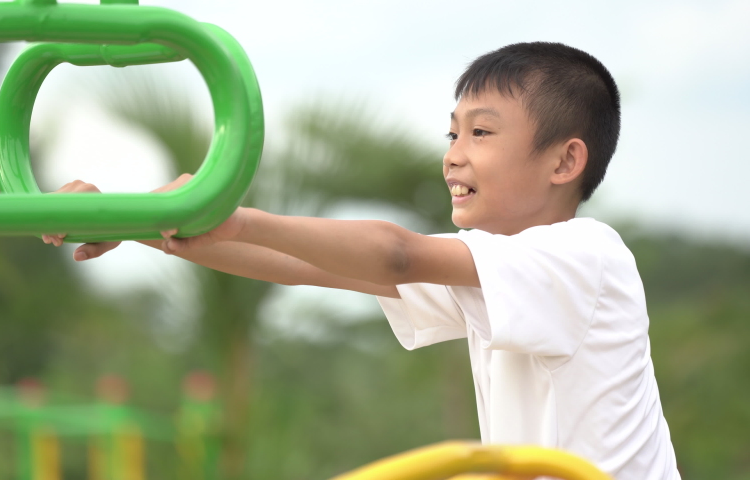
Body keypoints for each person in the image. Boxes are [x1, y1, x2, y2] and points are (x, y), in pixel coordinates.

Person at [44, 42, 680, 479]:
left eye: (481, 133)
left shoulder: (584, 256)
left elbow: (397, 253)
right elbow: (306, 266)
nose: (454, 155)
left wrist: (229, 214)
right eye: (451, 132)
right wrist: (133, 223)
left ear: (564, 162)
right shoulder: (500, 268)